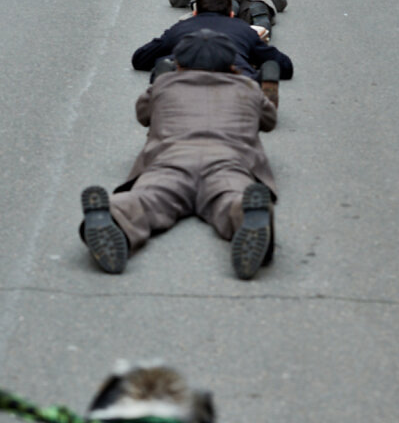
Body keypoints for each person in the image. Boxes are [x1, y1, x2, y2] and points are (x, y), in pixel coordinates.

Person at [80, 30, 277, 279]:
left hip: (170, 160)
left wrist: (161, 82)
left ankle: (115, 213)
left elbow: (143, 116)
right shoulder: (248, 88)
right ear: (230, 64)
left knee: (149, 198)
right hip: (228, 161)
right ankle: (245, 212)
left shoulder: (164, 84)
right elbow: (269, 121)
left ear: (179, 63)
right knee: (228, 197)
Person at [131, 0, 293, 81]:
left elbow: (140, 59)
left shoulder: (180, 28)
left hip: (185, 70)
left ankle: (166, 77)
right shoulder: (243, 29)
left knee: (168, 62)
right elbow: (285, 65)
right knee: (252, 75)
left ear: (195, 13)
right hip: (232, 72)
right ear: (231, 13)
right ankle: (259, 82)